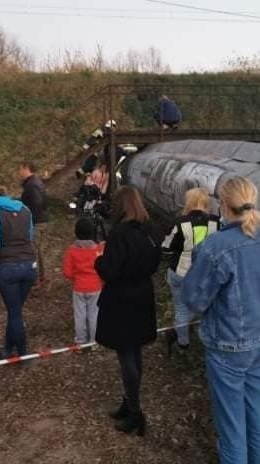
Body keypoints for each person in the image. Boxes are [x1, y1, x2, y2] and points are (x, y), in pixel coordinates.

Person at [181, 176, 260, 464]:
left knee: (231, 424)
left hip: (227, 346)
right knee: (256, 415)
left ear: (223, 205)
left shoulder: (216, 246)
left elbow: (194, 299)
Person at [94, 186, 161, 436]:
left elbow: (109, 270)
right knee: (135, 350)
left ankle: (135, 411)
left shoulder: (119, 234)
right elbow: (155, 262)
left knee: (126, 354)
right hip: (143, 294)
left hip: (122, 298)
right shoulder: (150, 229)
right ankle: (129, 401)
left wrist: (99, 260)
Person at [161, 187, 219, 356]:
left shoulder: (180, 222)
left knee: (181, 308)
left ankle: (182, 344)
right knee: (204, 305)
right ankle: (205, 341)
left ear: (189, 202)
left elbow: (165, 247)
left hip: (180, 271)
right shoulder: (216, 222)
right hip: (205, 274)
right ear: (206, 203)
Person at [0, 185, 37, 359]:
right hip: (29, 265)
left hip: (7, 268)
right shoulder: (25, 209)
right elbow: (30, 235)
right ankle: (8, 347)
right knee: (16, 310)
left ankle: (22, 352)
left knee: (14, 312)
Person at [62, 218, 105, 345]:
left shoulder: (71, 250)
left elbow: (67, 272)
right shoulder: (98, 250)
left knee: (79, 315)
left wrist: (76, 278)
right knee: (94, 314)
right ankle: (94, 341)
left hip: (79, 288)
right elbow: (103, 268)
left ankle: (80, 341)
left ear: (76, 232)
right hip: (95, 287)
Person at [17, 162, 48, 282]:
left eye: (20, 169)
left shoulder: (32, 185)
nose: (19, 173)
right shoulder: (35, 182)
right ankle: (40, 276)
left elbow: (37, 203)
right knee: (36, 249)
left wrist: (27, 216)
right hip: (39, 219)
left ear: (26, 169)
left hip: (35, 221)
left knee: (31, 250)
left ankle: (33, 278)